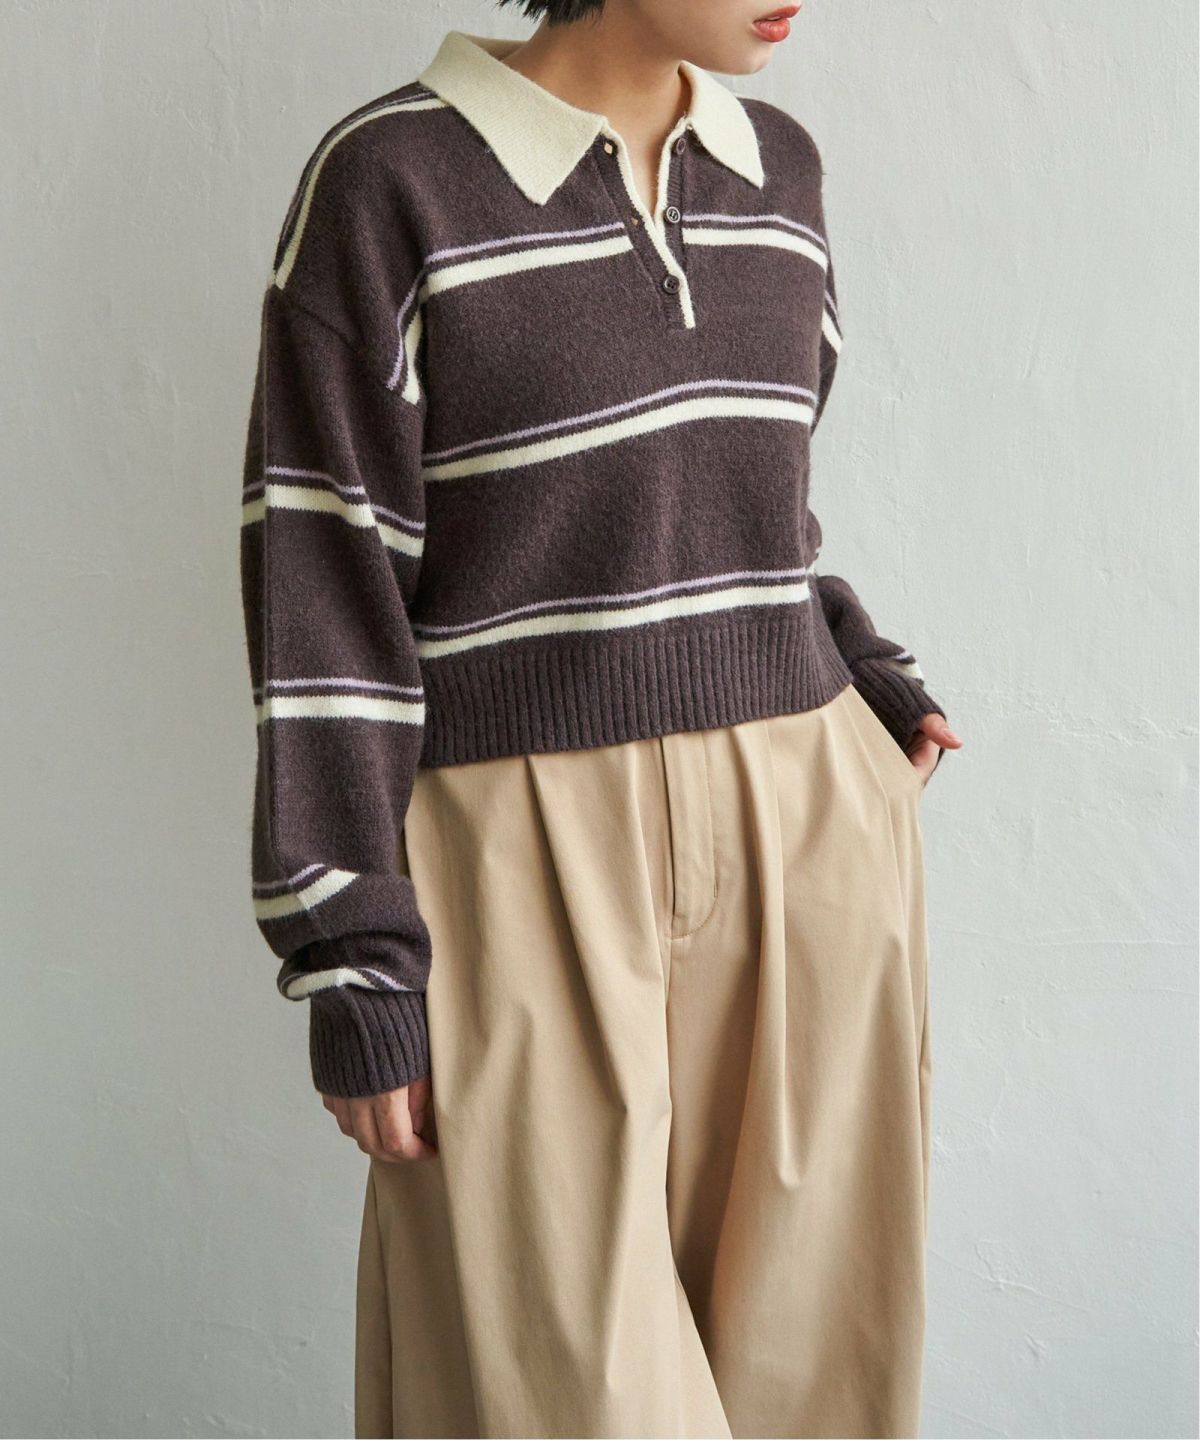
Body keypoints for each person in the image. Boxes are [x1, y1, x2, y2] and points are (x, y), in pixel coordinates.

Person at [238, 2, 963, 1435]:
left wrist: (839, 642)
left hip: (805, 819)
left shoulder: (779, 172)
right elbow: (323, 576)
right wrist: (352, 955)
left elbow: (741, 505)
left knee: (819, 1386)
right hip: (516, 849)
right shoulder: (389, 181)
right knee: (557, 1392)